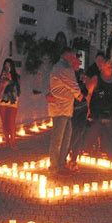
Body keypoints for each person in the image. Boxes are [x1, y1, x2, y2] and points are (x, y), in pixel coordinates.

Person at [48, 47, 83, 176]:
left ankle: (60, 165)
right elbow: (73, 85)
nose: (75, 59)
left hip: (65, 108)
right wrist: (80, 96)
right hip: (60, 108)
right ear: (67, 55)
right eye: (73, 56)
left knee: (65, 138)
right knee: (58, 139)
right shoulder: (64, 68)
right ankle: (54, 167)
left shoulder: (62, 67)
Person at [86, 56, 112, 157]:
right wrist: (88, 109)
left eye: (111, 66)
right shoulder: (96, 79)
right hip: (97, 112)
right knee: (93, 132)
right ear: (102, 67)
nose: (111, 68)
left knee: (108, 135)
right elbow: (88, 94)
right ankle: (89, 151)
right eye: (108, 66)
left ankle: (105, 152)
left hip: (111, 113)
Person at [68, 66, 88, 172]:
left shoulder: (83, 82)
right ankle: (66, 156)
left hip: (83, 109)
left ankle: (74, 158)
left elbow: (86, 93)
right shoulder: (70, 80)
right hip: (73, 110)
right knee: (74, 133)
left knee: (80, 133)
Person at [0, 58, 21, 147]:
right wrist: (3, 82)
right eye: (5, 65)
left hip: (13, 101)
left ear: (12, 67)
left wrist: (11, 80)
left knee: (11, 121)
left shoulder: (17, 77)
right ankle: (7, 140)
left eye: (9, 65)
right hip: (2, 101)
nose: (7, 67)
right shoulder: (1, 77)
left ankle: (13, 141)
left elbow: (18, 91)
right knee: (4, 121)